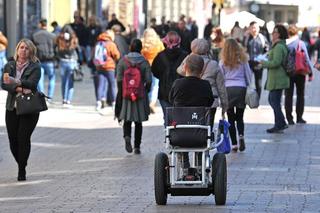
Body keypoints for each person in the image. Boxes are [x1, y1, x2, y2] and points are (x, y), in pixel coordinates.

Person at [1, 38, 41, 181]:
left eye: (26, 48)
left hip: (29, 108)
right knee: (13, 140)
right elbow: (4, 84)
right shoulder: (9, 65)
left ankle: (21, 170)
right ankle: (22, 162)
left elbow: (32, 84)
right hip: (12, 107)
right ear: (17, 49)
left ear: (31, 51)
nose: (23, 50)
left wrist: (16, 81)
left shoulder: (35, 66)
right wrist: (18, 87)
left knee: (23, 138)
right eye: (21, 47)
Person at [169, 54, 214, 169]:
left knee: (181, 127)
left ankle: (184, 163)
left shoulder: (177, 84)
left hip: (180, 134)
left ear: (185, 68)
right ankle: (199, 164)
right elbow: (210, 102)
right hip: (200, 133)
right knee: (199, 135)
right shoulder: (205, 85)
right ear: (202, 70)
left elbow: (171, 100)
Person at [177, 38, 228, 127]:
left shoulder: (189, 63)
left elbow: (179, 70)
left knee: (191, 125)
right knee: (208, 127)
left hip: (191, 99)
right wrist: (224, 105)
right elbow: (221, 87)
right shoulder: (214, 64)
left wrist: (190, 55)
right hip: (211, 100)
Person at [115, 39, 152, 154]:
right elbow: (149, 80)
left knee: (127, 119)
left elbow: (119, 79)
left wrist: (122, 92)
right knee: (138, 122)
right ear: (140, 48)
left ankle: (127, 137)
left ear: (130, 47)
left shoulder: (123, 61)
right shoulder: (144, 62)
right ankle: (137, 147)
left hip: (126, 95)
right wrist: (145, 91)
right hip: (139, 95)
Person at [219, 38, 252, 152]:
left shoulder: (223, 61)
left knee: (231, 118)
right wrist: (247, 85)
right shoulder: (243, 59)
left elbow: (221, 77)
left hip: (228, 89)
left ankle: (234, 144)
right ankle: (241, 136)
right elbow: (248, 74)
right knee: (240, 116)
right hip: (240, 88)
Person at [151, 31, 188, 119]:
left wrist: (163, 77)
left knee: (168, 119)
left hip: (164, 92)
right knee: (180, 118)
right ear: (179, 42)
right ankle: (178, 132)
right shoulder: (185, 56)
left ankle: (169, 132)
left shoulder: (160, 56)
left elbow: (154, 71)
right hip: (181, 92)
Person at [261, 24, 290, 133]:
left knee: (274, 101)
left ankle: (281, 123)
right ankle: (279, 123)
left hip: (278, 79)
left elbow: (276, 62)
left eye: (274, 32)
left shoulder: (279, 46)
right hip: (276, 79)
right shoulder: (278, 45)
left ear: (279, 34)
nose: (272, 34)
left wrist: (263, 63)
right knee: (274, 101)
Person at [285, 25, 313, 125]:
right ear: (297, 33)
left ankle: (289, 118)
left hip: (288, 73)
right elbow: (306, 58)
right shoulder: (301, 43)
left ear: (288, 33)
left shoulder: (285, 44)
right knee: (300, 95)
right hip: (300, 72)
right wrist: (310, 73)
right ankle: (299, 117)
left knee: (288, 95)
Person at [94, 30, 120, 112]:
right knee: (112, 85)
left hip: (99, 67)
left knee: (100, 85)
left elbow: (93, 55)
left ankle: (98, 102)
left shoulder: (98, 43)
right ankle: (113, 103)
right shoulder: (111, 44)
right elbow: (117, 55)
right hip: (109, 67)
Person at [141, 28, 165, 113]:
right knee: (155, 85)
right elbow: (163, 54)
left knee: (146, 85)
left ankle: (146, 103)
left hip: (144, 67)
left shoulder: (142, 43)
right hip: (156, 66)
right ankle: (152, 102)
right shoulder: (158, 43)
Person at [32, 18, 56, 102]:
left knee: (39, 79)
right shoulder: (53, 36)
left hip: (39, 60)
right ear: (46, 25)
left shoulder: (35, 35)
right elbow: (56, 48)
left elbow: (31, 48)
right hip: (50, 60)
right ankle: (49, 97)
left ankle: (42, 96)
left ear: (40, 24)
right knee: (52, 79)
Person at [56, 25, 79, 107]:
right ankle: (68, 100)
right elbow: (77, 49)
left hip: (63, 62)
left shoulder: (59, 39)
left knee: (64, 82)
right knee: (70, 82)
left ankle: (64, 100)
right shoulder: (74, 39)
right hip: (72, 62)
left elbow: (57, 50)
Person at [245, 21, 269, 99]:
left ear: (258, 28)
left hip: (259, 64)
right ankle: (247, 99)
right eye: (252, 27)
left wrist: (262, 58)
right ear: (249, 28)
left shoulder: (262, 38)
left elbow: (267, 50)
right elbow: (243, 49)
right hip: (249, 63)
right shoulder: (247, 38)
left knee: (258, 83)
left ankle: (257, 100)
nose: (254, 29)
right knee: (247, 82)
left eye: (256, 27)